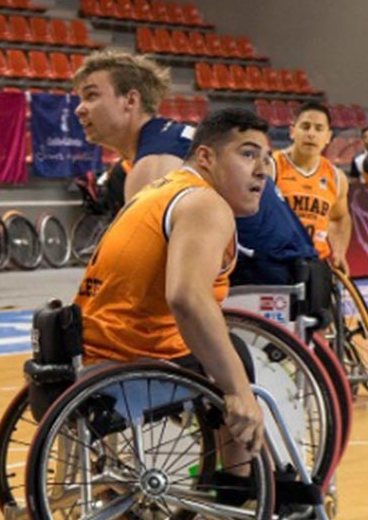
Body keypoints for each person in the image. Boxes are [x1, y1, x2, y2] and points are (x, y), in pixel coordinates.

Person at [75, 108, 268, 478]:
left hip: (88, 354)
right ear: (206, 156)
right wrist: (239, 392)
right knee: (234, 360)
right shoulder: (205, 203)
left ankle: (239, 480)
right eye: (247, 154)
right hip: (122, 367)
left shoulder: (161, 189)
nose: (261, 169)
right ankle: (240, 493)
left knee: (221, 351)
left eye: (265, 158)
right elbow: (187, 299)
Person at [72, 50, 194, 202]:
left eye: (91, 96)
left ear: (130, 101)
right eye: (81, 99)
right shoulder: (168, 138)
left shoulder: (152, 168)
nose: (79, 110)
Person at [271, 102, 352, 274]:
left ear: (328, 136)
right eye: (305, 127)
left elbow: (339, 218)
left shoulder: (336, 177)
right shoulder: (271, 167)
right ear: (292, 131)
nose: (311, 134)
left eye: (318, 128)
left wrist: (339, 252)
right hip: (275, 263)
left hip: (316, 264)